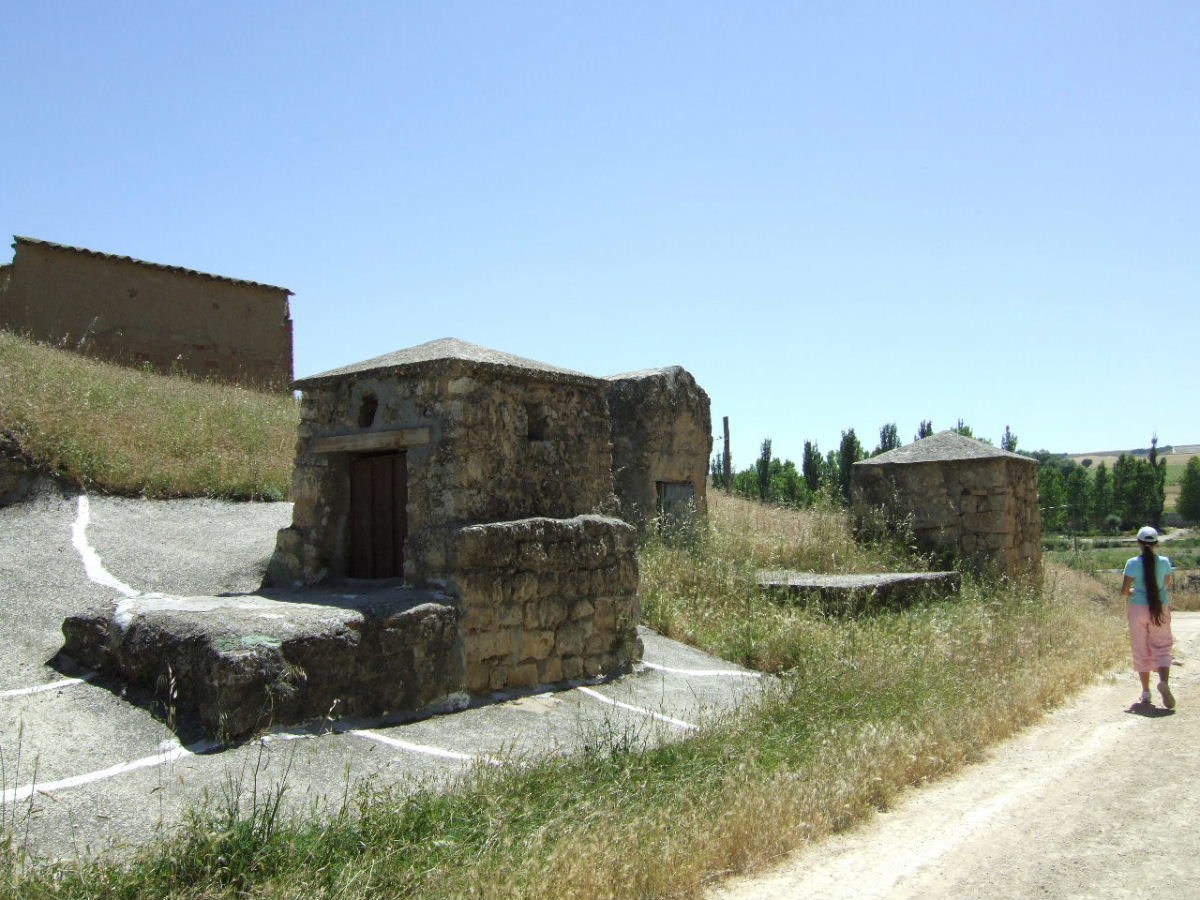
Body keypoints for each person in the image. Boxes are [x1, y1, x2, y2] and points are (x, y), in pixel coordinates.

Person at [1122, 525, 1176, 707]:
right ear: (1156, 544)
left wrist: (1134, 591)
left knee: (1140, 647)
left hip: (1138, 608)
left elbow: (1125, 591)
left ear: (1138, 543)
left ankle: (1146, 692)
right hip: (1159, 607)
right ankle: (1164, 682)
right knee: (1162, 646)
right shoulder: (1164, 562)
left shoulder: (1131, 563)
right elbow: (1166, 582)